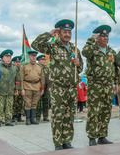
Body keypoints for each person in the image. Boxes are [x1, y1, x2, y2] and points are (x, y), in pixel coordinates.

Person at [31, 19, 83, 151]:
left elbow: (80, 68)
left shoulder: (75, 49)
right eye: (65, 32)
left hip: (72, 88)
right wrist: (49, 34)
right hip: (58, 87)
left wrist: (78, 64)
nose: (67, 35)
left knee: (69, 115)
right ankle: (58, 143)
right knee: (58, 115)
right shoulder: (53, 47)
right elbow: (35, 44)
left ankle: (67, 141)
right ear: (59, 33)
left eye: (69, 32)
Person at [82, 25, 118, 146]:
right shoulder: (92, 49)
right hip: (95, 86)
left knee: (106, 111)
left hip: (108, 86)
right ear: (97, 37)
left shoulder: (111, 52)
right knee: (94, 112)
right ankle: (92, 137)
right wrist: (91, 39)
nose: (105, 38)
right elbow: (85, 52)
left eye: (107, 36)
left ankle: (102, 136)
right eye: (102, 36)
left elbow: (115, 69)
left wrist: (116, 83)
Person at [20, 51, 45, 125]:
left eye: (35, 56)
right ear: (29, 57)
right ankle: (27, 119)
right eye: (32, 56)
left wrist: (42, 88)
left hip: (37, 87)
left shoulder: (39, 67)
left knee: (34, 103)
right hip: (27, 86)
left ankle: (32, 119)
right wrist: (22, 89)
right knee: (28, 103)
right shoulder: (24, 66)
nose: (33, 57)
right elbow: (21, 78)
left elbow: (42, 79)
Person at [0, 50, 20, 127]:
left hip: (10, 91)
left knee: (9, 106)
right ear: (2, 58)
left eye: (9, 57)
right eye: (6, 57)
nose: (8, 59)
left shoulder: (14, 68)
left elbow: (17, 80)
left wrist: (16, 89)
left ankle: (8, 120)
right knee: (0, 107)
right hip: (1, 91)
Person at [36, 55, 51, 122]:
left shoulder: (47, 68)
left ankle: (45, 116)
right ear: (39, 61)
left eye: (44, 60)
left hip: (46, 88)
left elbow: (49, 78)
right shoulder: (37, 68)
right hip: (38, 87)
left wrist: (49, 87)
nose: (43, 61)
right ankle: (37, 116)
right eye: (42, 60)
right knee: (38, 103)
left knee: (46, 102)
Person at [11, 56, 24, 123]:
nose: (18, 63)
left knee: (20, 103)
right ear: (14, 63)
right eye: (16, 62)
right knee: (14, 103)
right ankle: (13, 116)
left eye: (19, 62)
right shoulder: (12, 69)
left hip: (20, 88)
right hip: (14, 89)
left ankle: (19, 116)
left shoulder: (22, 70)